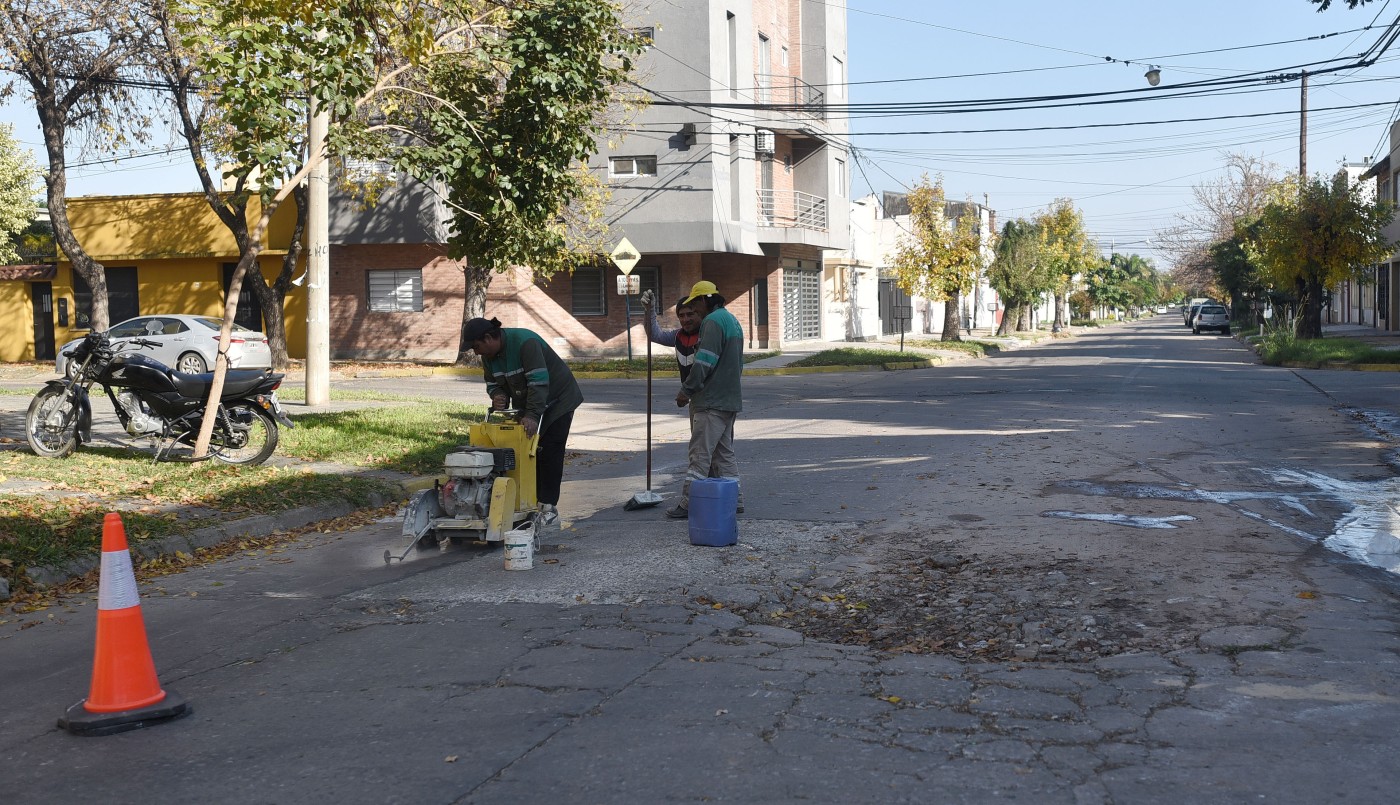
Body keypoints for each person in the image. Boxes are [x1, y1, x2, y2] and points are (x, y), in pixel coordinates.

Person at [462, 317, 583, 529]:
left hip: (559, 398)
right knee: (524, 451)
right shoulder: (489, 357)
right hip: (528, 401)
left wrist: (532, 416)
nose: (476, 352)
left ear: (488, 338)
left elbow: (539, 383)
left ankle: (548, 508)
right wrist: (497, 395)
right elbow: (492, 383)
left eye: (476, 346)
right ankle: (527, 503)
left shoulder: (526, 343)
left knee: (549, 448)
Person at [666, 280, 744, 519]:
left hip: (710, 401)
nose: (694, 310)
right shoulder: (731, 320)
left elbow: (704, 361)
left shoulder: (712, 322)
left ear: (703, 300)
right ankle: (735, 499)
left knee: (699, 455)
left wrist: (686, 391)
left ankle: (688, 503)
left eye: (695, 304)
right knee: (723, 454)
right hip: (729, 399)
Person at [639, 289, 702, 381]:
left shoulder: (707, 334)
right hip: (687, 389)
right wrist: (650, 310)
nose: (686, 319)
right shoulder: (678, 336)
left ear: (699, 314)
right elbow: (655, 335)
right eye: (681, 316)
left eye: (690, 314)